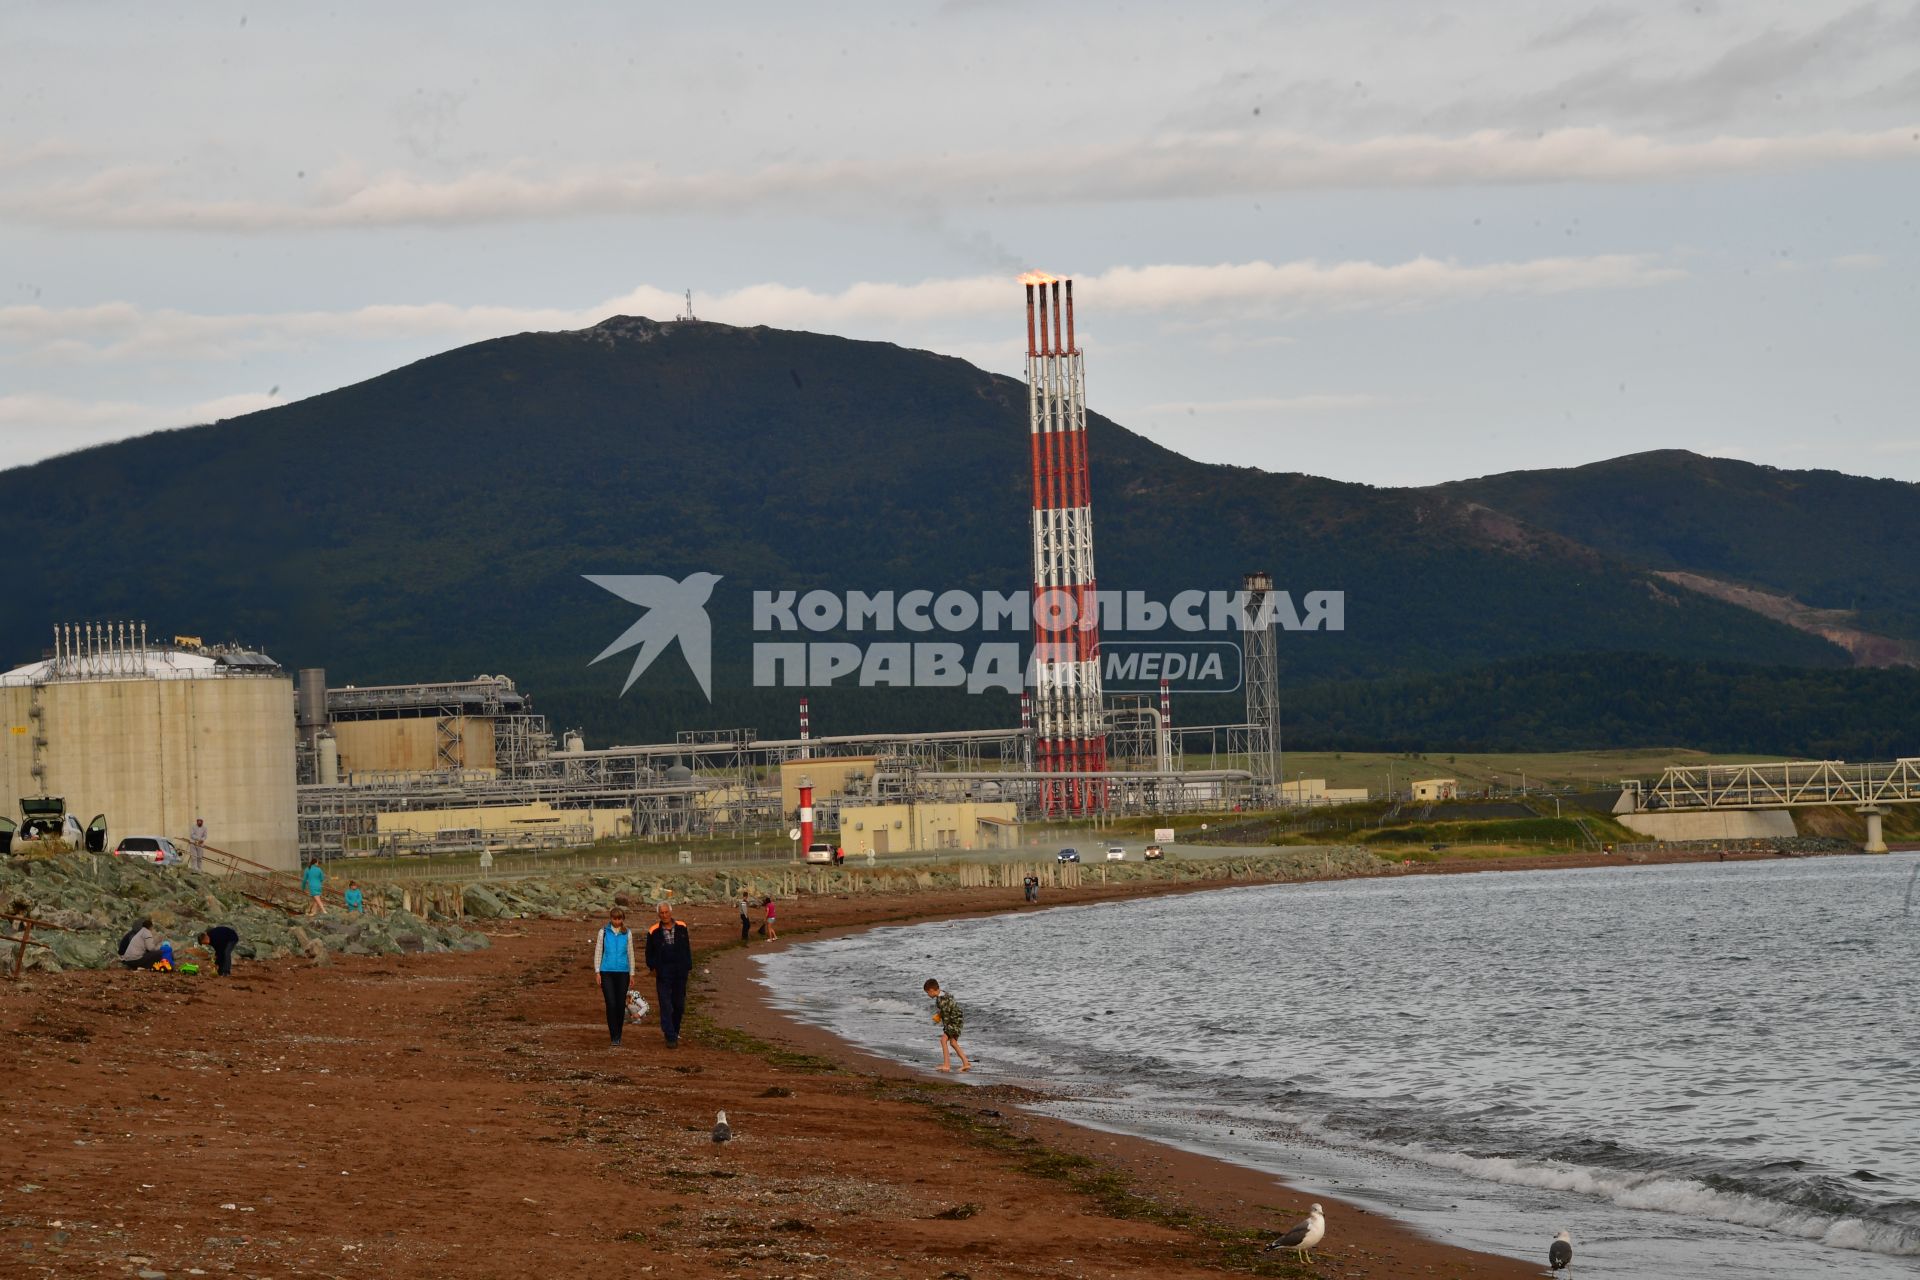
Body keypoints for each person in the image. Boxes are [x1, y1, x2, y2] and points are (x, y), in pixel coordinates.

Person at [645, 901, 693, 1048]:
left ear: (671, 912)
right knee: (666, 1005)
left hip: (680, 971)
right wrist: (654, 966)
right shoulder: (653, 930)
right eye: (662, 913)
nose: (664, 915)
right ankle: (670, 1036)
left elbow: (687, 948)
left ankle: (674, 1030)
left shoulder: (682, 926)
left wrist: (688, 966)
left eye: (666, 912)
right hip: (663, 972)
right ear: (658, 914)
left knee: (678, 1005)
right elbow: (649, 953)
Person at [591, 906, 634, 1046]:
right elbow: (598, 951)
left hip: (623, 972)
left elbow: (630, 954)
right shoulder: (603, 932)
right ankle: (613, 1035)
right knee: (611, 1003)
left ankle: (618, 1034)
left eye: (619, 919)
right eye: (614, 918)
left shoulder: (627, 933)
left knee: (620, 1004)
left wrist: (632, 973)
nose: (616, 921)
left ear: (623, 919)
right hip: (606, 972)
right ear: (611, 919)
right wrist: (597, 971)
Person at [923, 978, 971, 1073]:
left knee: (943, 1040)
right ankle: (966, 1063)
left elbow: (947, 1012)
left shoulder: (942, 999)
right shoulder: (943, 995)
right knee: (953, 1042)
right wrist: (940, 1015)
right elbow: (946, 1009)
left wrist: (941, 1018)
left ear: (931, 990)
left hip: (954, 1022)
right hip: (956, 1020)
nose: (928, 995)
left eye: (927, 993)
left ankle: (946, 1065)